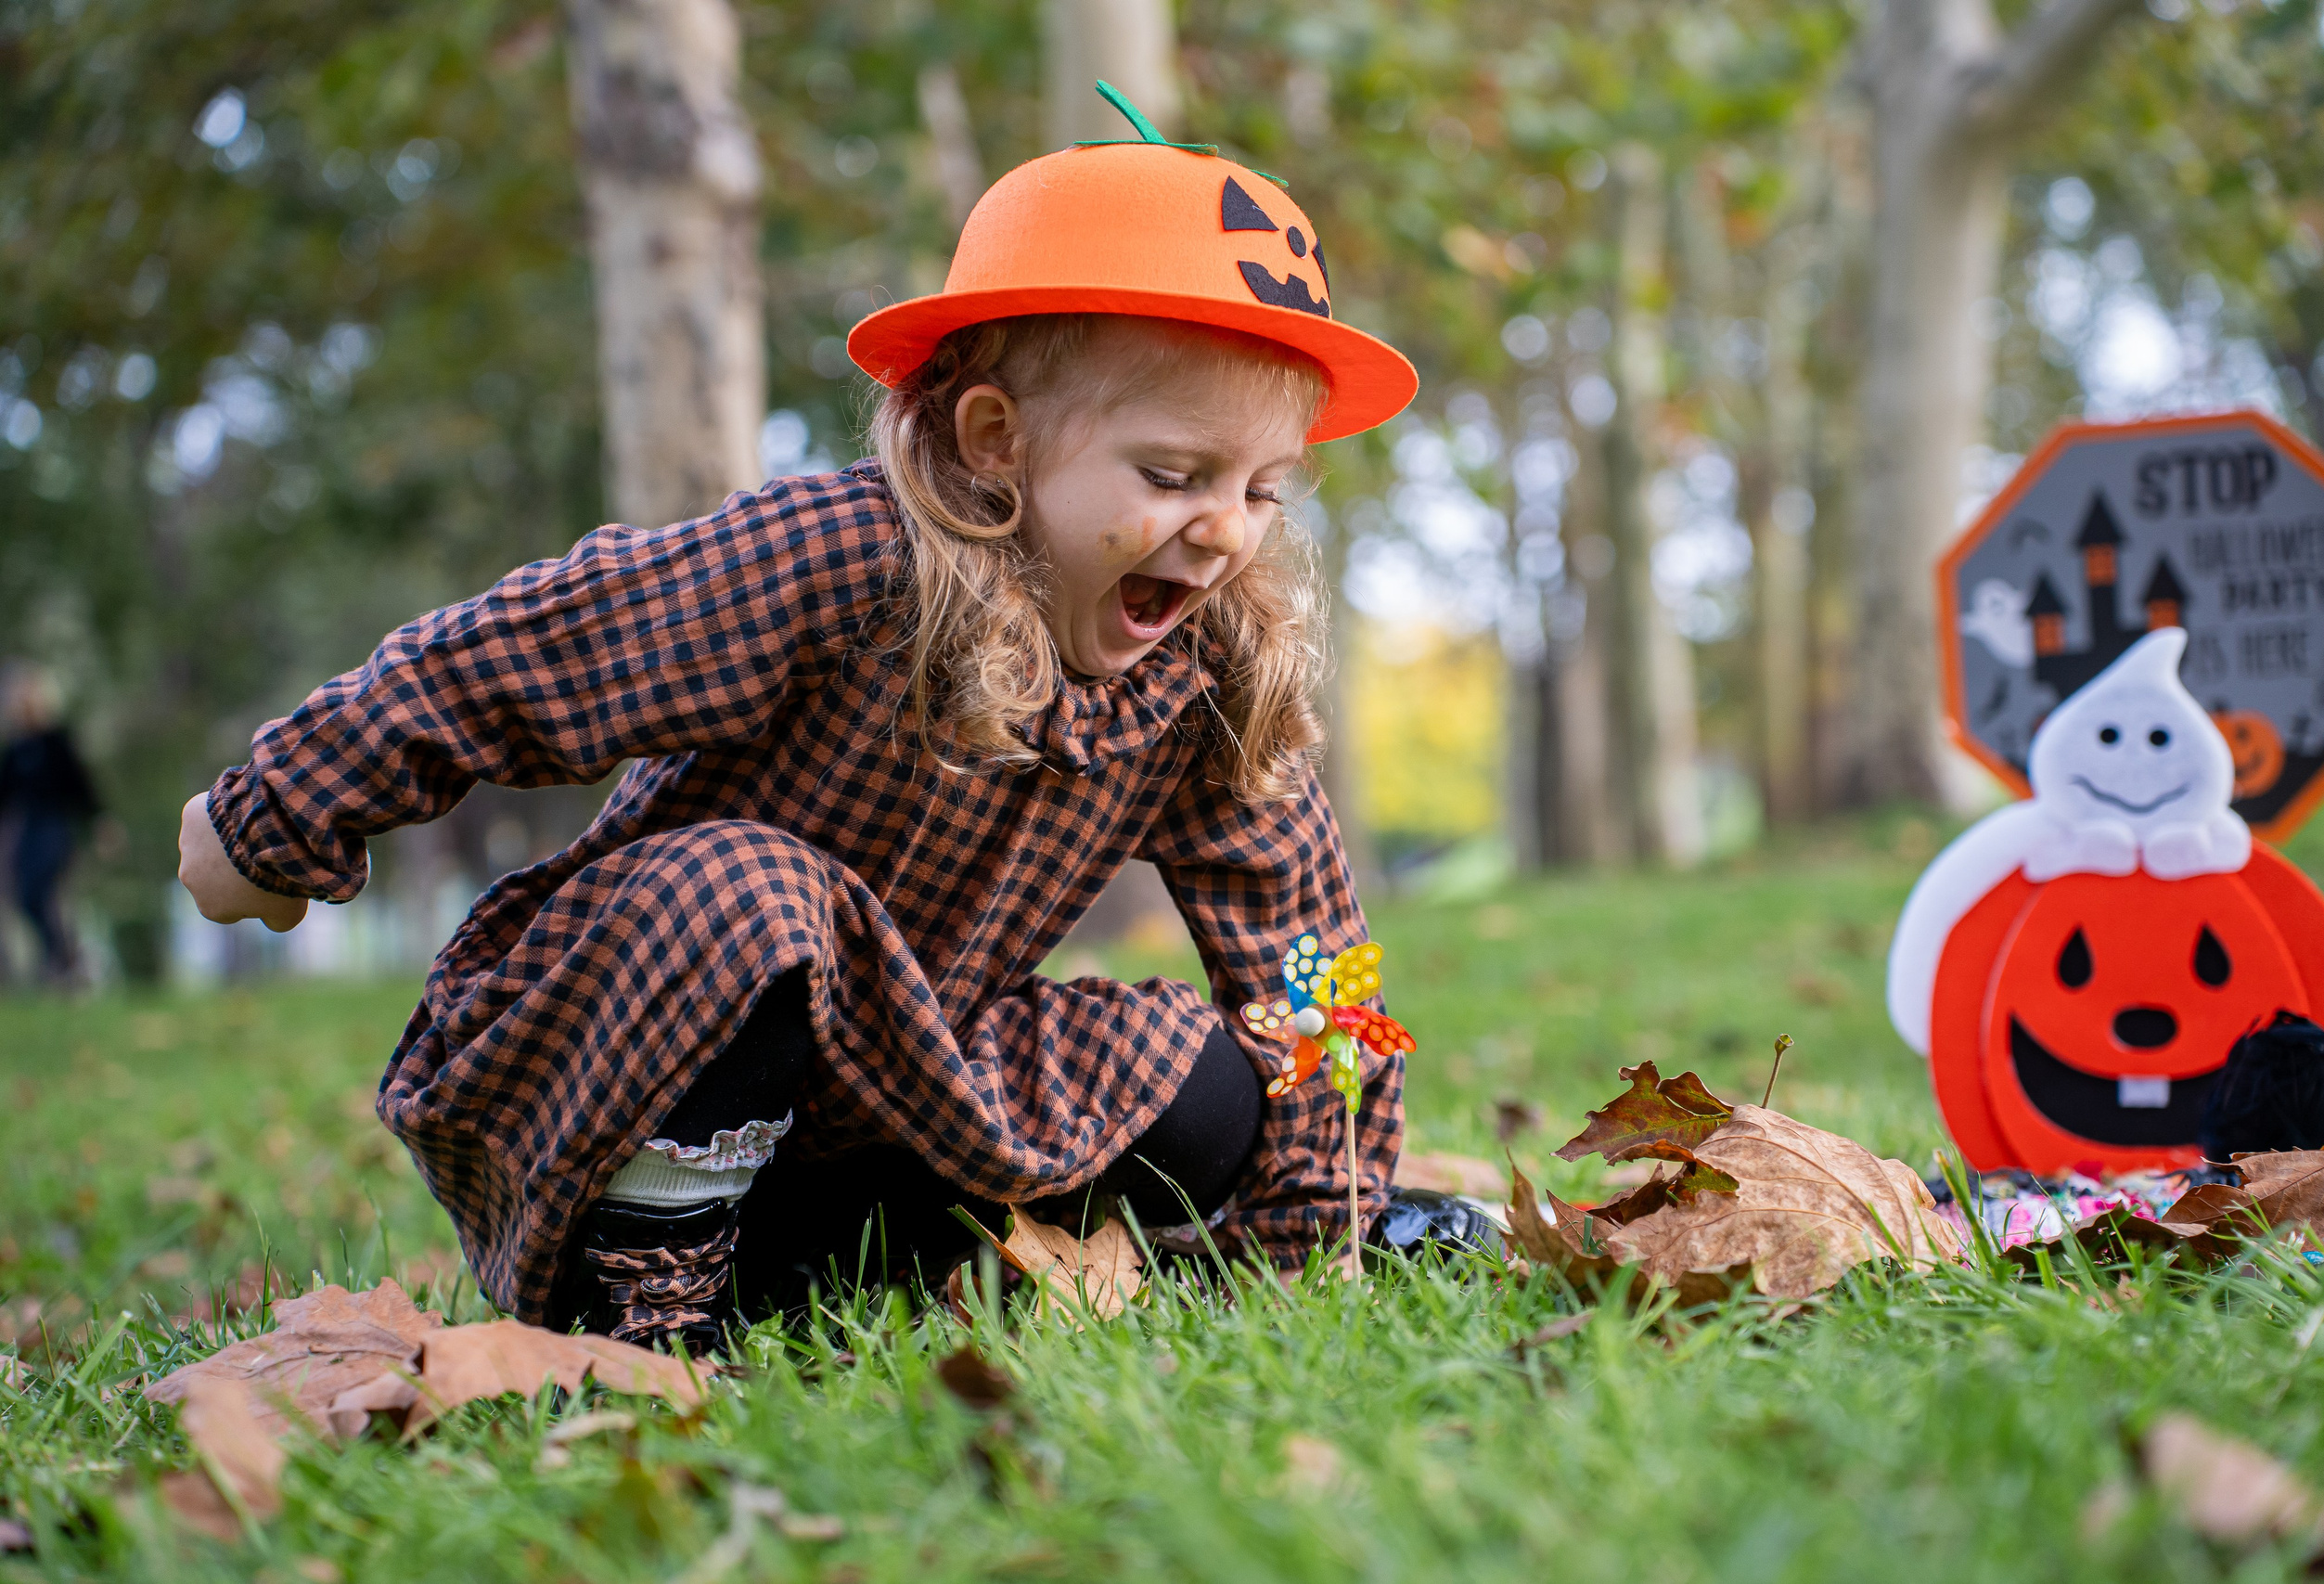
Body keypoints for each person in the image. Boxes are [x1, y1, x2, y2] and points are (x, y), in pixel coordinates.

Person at [175, 91, 1422, 1352]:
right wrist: (278, 812)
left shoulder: (1203, 673)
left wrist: (1316, 1231)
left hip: (876, 1111)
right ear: (996, 438)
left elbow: (1312, 964)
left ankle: (916, 1261)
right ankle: (646, 1300)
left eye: (1262, 490)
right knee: (756, 893)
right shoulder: (843, 556)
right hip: (631, 1061)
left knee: (1204, 1081)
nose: (1224, 530)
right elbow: (544, 650)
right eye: (1172, 476)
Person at [1, 667, 102, 987]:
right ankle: (62, 958)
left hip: (55, 827)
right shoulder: (16, 749)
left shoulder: (56, 741)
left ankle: (66, 963)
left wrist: (100, 821)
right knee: (26, 898)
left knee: (46, 891)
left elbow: (80, 784)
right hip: (27, 830)